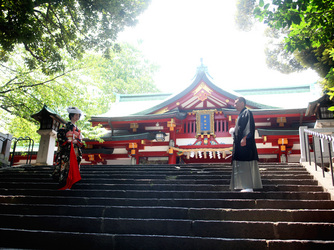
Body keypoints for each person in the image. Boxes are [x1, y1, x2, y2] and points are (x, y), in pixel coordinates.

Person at [230, 97, 262, 192]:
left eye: (236, 103)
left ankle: (248, 187)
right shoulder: (241, 114)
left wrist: (244, 138)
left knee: (246, 164)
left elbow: (249, 127)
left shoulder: (247, 112)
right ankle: (245, 186)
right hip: (240, 145)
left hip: (245, 144)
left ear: (242, 103)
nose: (234, 105)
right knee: (241, 165)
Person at [52, 107, 83, 189]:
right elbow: (60, 136)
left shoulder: (78, 129)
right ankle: (64, 182)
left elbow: (80, 139)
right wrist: (68, 141)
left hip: (75, 149)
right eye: (76, 115)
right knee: (66, 165)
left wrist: (77, 141)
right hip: (67, 150)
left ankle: (73, 182)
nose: (78, 117)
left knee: (74, 164)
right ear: (72, 116)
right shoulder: (65, 126)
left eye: (78, 115)